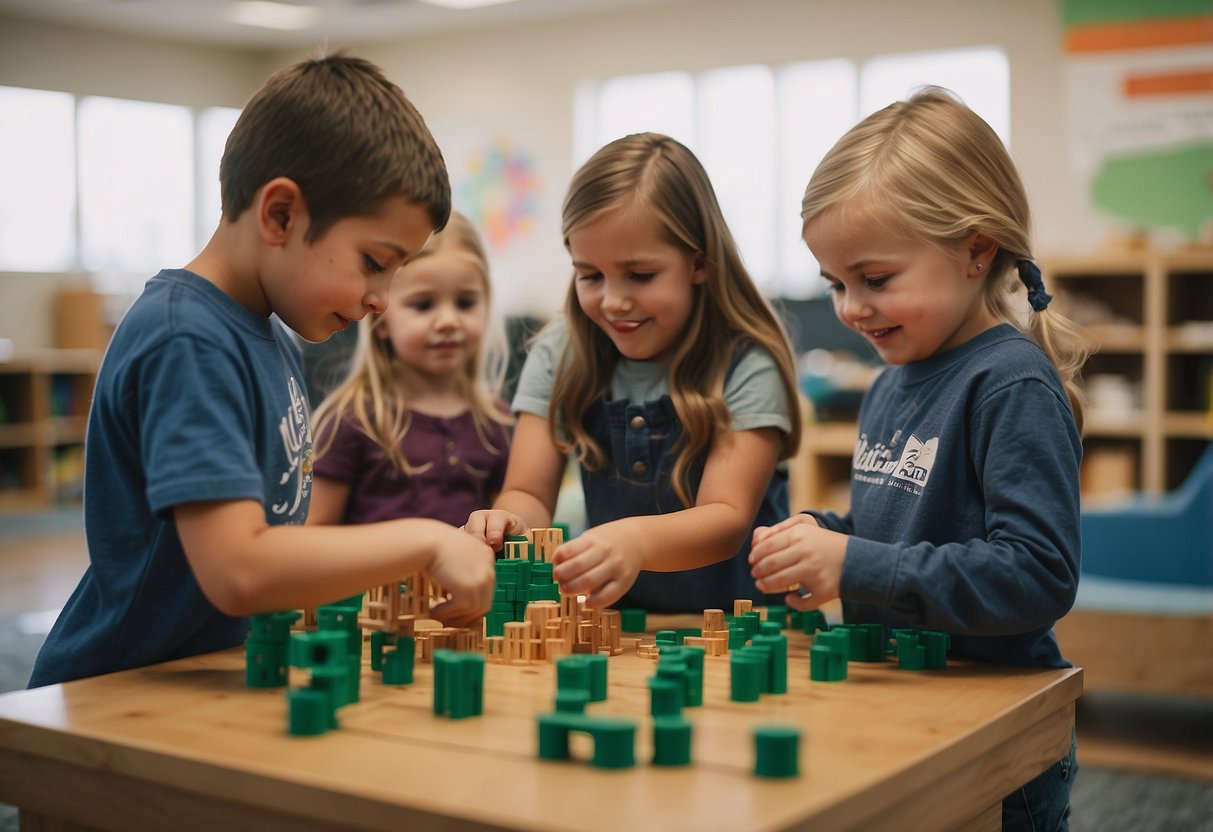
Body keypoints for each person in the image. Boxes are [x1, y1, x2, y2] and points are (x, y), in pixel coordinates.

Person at [29, 53, 495, 689]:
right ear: (280, 215)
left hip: (208, 673)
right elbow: (239, 567)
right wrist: (425, 541)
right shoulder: (185, 339)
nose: (381, 298)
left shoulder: (274, 330)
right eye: (373, 262)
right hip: (120, 688)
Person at [748, 88, 1088, 830]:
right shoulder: (887, 380)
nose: (848, 308)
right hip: (911, 704)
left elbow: (1036, 575)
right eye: (835, 284)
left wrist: (853, 562)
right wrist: (819, 535)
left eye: (874, 280)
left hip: (998, 727)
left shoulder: (1009, 383)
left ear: (975, 248)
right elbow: (901, 524)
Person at [466, 132, 802, 611]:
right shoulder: (561, 353)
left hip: (738, 628)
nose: (613, 301)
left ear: (699, 264)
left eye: (640, 276)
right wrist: (506, 521)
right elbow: (527, 491)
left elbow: (726, 518)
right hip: (618, 628)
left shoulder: (745, 365)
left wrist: (634, 541)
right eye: (590, 275)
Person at [308, 211, 512, 528]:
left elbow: (506, 531)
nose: (448, 321)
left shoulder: (495, 422)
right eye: (423, 305)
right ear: (381, 320)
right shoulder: (353, 420)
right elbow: (312, 538)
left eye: (465, 303)